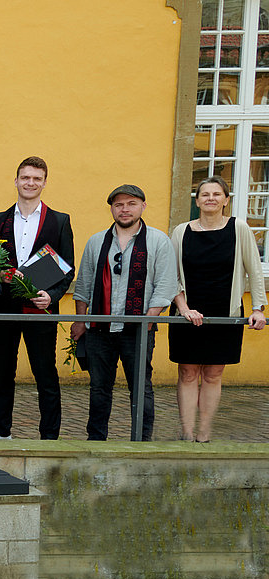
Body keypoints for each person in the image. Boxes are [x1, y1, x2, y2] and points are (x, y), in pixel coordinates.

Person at [70, 185, 178, 442]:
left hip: (139, 329)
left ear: (143, 206)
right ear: (112, 209)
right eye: (119, 205)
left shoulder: (157, 240)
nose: (125, 209)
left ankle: (141, 441)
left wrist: (148, 322)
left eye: (131, 203)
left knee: (141, 388)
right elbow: (84, 284)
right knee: (98, 389)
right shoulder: (97, 241)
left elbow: (165, 285)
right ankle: (96, 440)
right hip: (99, 328)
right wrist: (80, 320)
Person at [169, 176, 267, 442]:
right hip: (187, 312)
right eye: (204, 194)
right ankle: (187, 432)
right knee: (188, 372)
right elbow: (171, 275)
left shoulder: (240, 228)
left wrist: (258, 308)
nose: (210, 198)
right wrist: (184, 307)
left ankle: (205, 433)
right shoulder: (181, 231)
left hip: (227, 311)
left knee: (213, 373)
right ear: (197, 200)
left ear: (226, 199)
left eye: (216, 194)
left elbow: (254, 272)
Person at [0, 156, 75, 440]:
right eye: (25, 177)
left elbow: (66, 267)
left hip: (40, 309)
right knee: (3, 373)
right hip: (4, 310)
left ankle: (50, 435)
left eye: (37, 178)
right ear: (16, 181)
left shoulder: (60, 221)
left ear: (44, 183)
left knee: (45, 375)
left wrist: (51, 296)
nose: (30, 183)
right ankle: (1, 431)